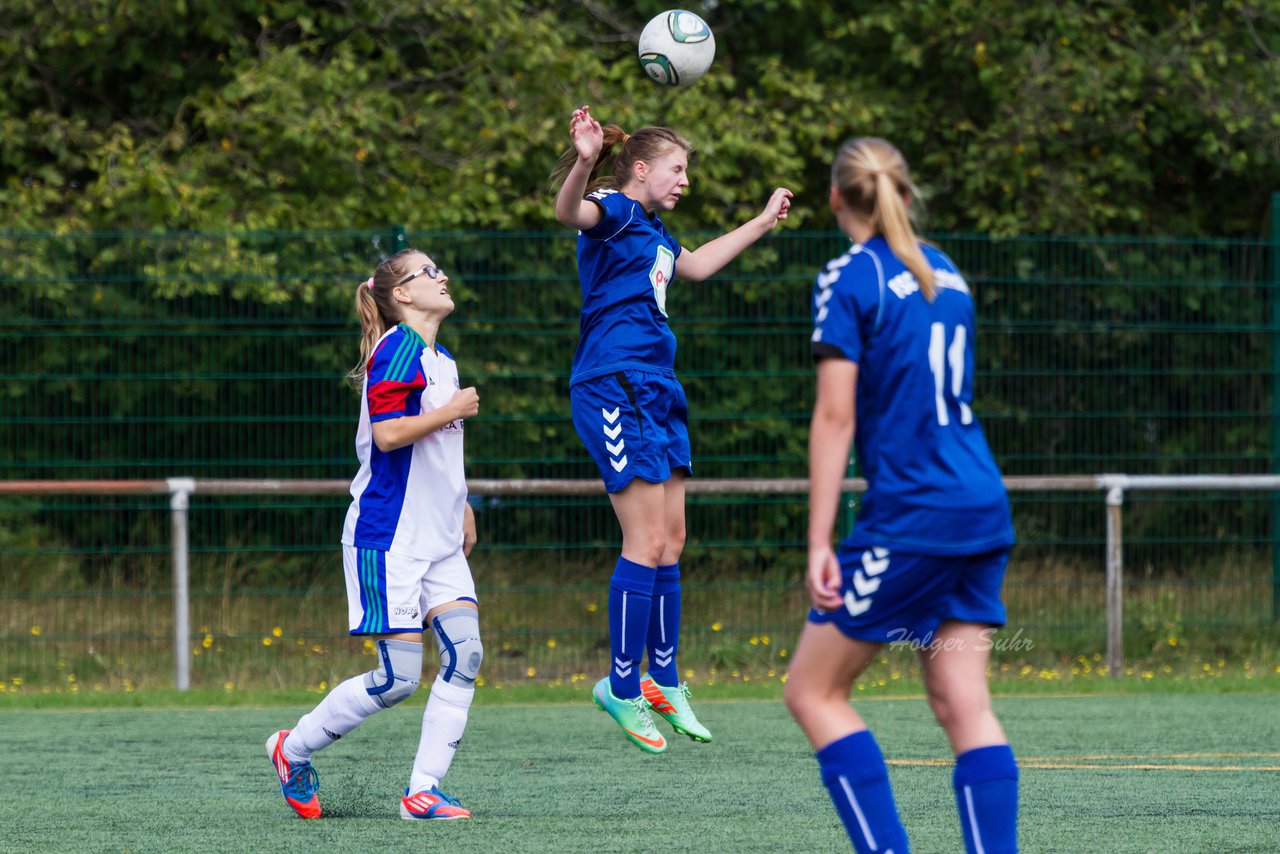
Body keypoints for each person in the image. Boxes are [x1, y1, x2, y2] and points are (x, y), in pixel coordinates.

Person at [783, 138, 1019, 853]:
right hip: (980, 503)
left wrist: (820, 539)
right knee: (962, 703)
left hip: (917, 514)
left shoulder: (848, 277)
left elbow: (835, 416)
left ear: (834, 198)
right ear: (905, 194)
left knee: (812, 691)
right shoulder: (947, 273)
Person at [551, 104, 792, 753]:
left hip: (657, 388)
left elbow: (699, 265)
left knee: (673, 538)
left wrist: (763, 223)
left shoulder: (653, 231)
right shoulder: (616, 209)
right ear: (639, 169)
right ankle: (621, 688)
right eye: (676, 168)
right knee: (644, 537)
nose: (685, 179)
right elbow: (570, 212)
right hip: (613, 382)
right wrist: (581, 160)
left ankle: (663, 678)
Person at [265, 248, 483, 821]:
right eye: (428, 272)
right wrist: (455, 409)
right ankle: (292, 750)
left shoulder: (441, 357)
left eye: (440, 267)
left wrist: (461, 507)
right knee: (398, 680)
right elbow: (389, 436)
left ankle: (423, 791)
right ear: (403, 295)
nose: (442, 276)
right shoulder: (399, 348)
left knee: (466, 653)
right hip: (389, 538)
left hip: (438, 539)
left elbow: (438, 450)